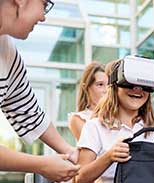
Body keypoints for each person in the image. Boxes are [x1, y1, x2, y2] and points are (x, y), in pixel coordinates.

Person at [75, 60, 154, 183]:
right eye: (130, 83)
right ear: (114, 87)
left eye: (144, 86)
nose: (137, 89)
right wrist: (109, 156)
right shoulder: (95, 127)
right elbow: (79, 178)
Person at [0, 0, 80, 182]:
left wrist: (70, 152)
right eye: (44, 4)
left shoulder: (7, 53)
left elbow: (28, 112)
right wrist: (41, 164)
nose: (43, 17)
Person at [69, 62, 108, 140]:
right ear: (86, 88)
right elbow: (94, 149)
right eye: (100, 85)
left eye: (109, 85)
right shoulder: (79, 119)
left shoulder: (118, 116)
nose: (106, 90)